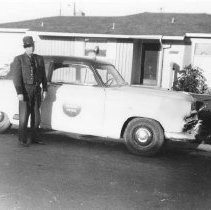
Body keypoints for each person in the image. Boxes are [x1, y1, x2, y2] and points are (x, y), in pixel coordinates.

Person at [12, 36, 47, 146]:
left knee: (36, 118)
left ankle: (34, 138)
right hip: (25, 91)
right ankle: (22, 140)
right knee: (23, 117)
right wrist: (19, 92)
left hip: (36, 90)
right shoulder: (19, 59)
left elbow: (44, 76)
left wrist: (45, 89)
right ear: (25, 48)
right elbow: (16, 78)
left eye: (31, 46)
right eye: (27, 46)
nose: (30, 48)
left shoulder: (39, 59)